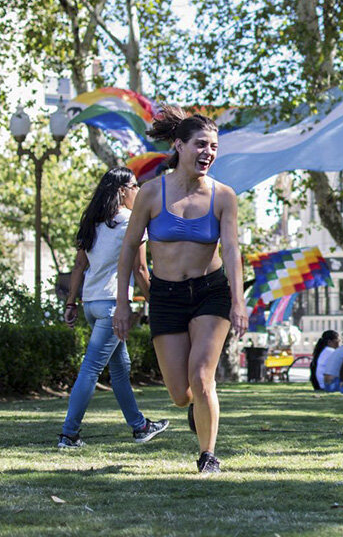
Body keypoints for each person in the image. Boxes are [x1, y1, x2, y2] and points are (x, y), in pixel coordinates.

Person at [114, 105, 248, 474]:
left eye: (214, 147)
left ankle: (208, 455)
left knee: (203, 377)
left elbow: (233, 249)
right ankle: (196, 406)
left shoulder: (224, 196)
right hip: (166, 296)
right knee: (180, 393)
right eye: (201, 144)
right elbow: (129, 247)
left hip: (210, 292)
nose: (209, 152)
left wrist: (238, 301)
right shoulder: (151, 193)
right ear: (179, 146)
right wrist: (123, 304)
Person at [57, 168, 169, 449]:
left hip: (92, 304)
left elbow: (79, 266)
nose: (138, 191)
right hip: (111, 306)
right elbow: (141, 269)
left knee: (120, 367)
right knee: (91, 369)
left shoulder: (92, 222)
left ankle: (140, 426)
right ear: (122, 190)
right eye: (135, 186)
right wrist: (160, 304)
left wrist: (71, 302)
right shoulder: (132, 221)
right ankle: (68, 434)